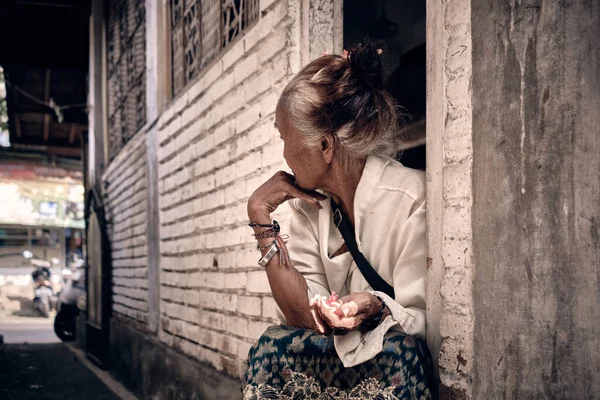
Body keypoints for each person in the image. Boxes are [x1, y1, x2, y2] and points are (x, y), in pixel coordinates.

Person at [243, 42, 432, 399]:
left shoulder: (411, 199)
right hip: (336, 367)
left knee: (401, 352)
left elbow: (426, 323)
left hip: (387, 375)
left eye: (286, 139)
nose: (284, 154)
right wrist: (259, 214)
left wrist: (375, 306)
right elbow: (303, 317)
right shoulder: (309, 208)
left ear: (326, 146)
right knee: (272, 345)